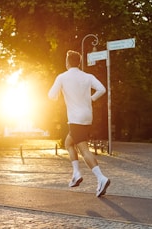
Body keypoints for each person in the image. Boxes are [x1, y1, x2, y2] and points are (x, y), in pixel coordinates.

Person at [48, 49, 110, 197]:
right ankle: (76, 174)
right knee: (68, 143)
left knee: (83, 148)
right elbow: (102, 89)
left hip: (75, 118)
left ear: (67, 62)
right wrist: (91, 99)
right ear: (79, 62)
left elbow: (51, 95)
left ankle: (101, 178)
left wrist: (57, 98)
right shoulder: (88, 76)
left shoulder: (62, 77)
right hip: (87, 117)